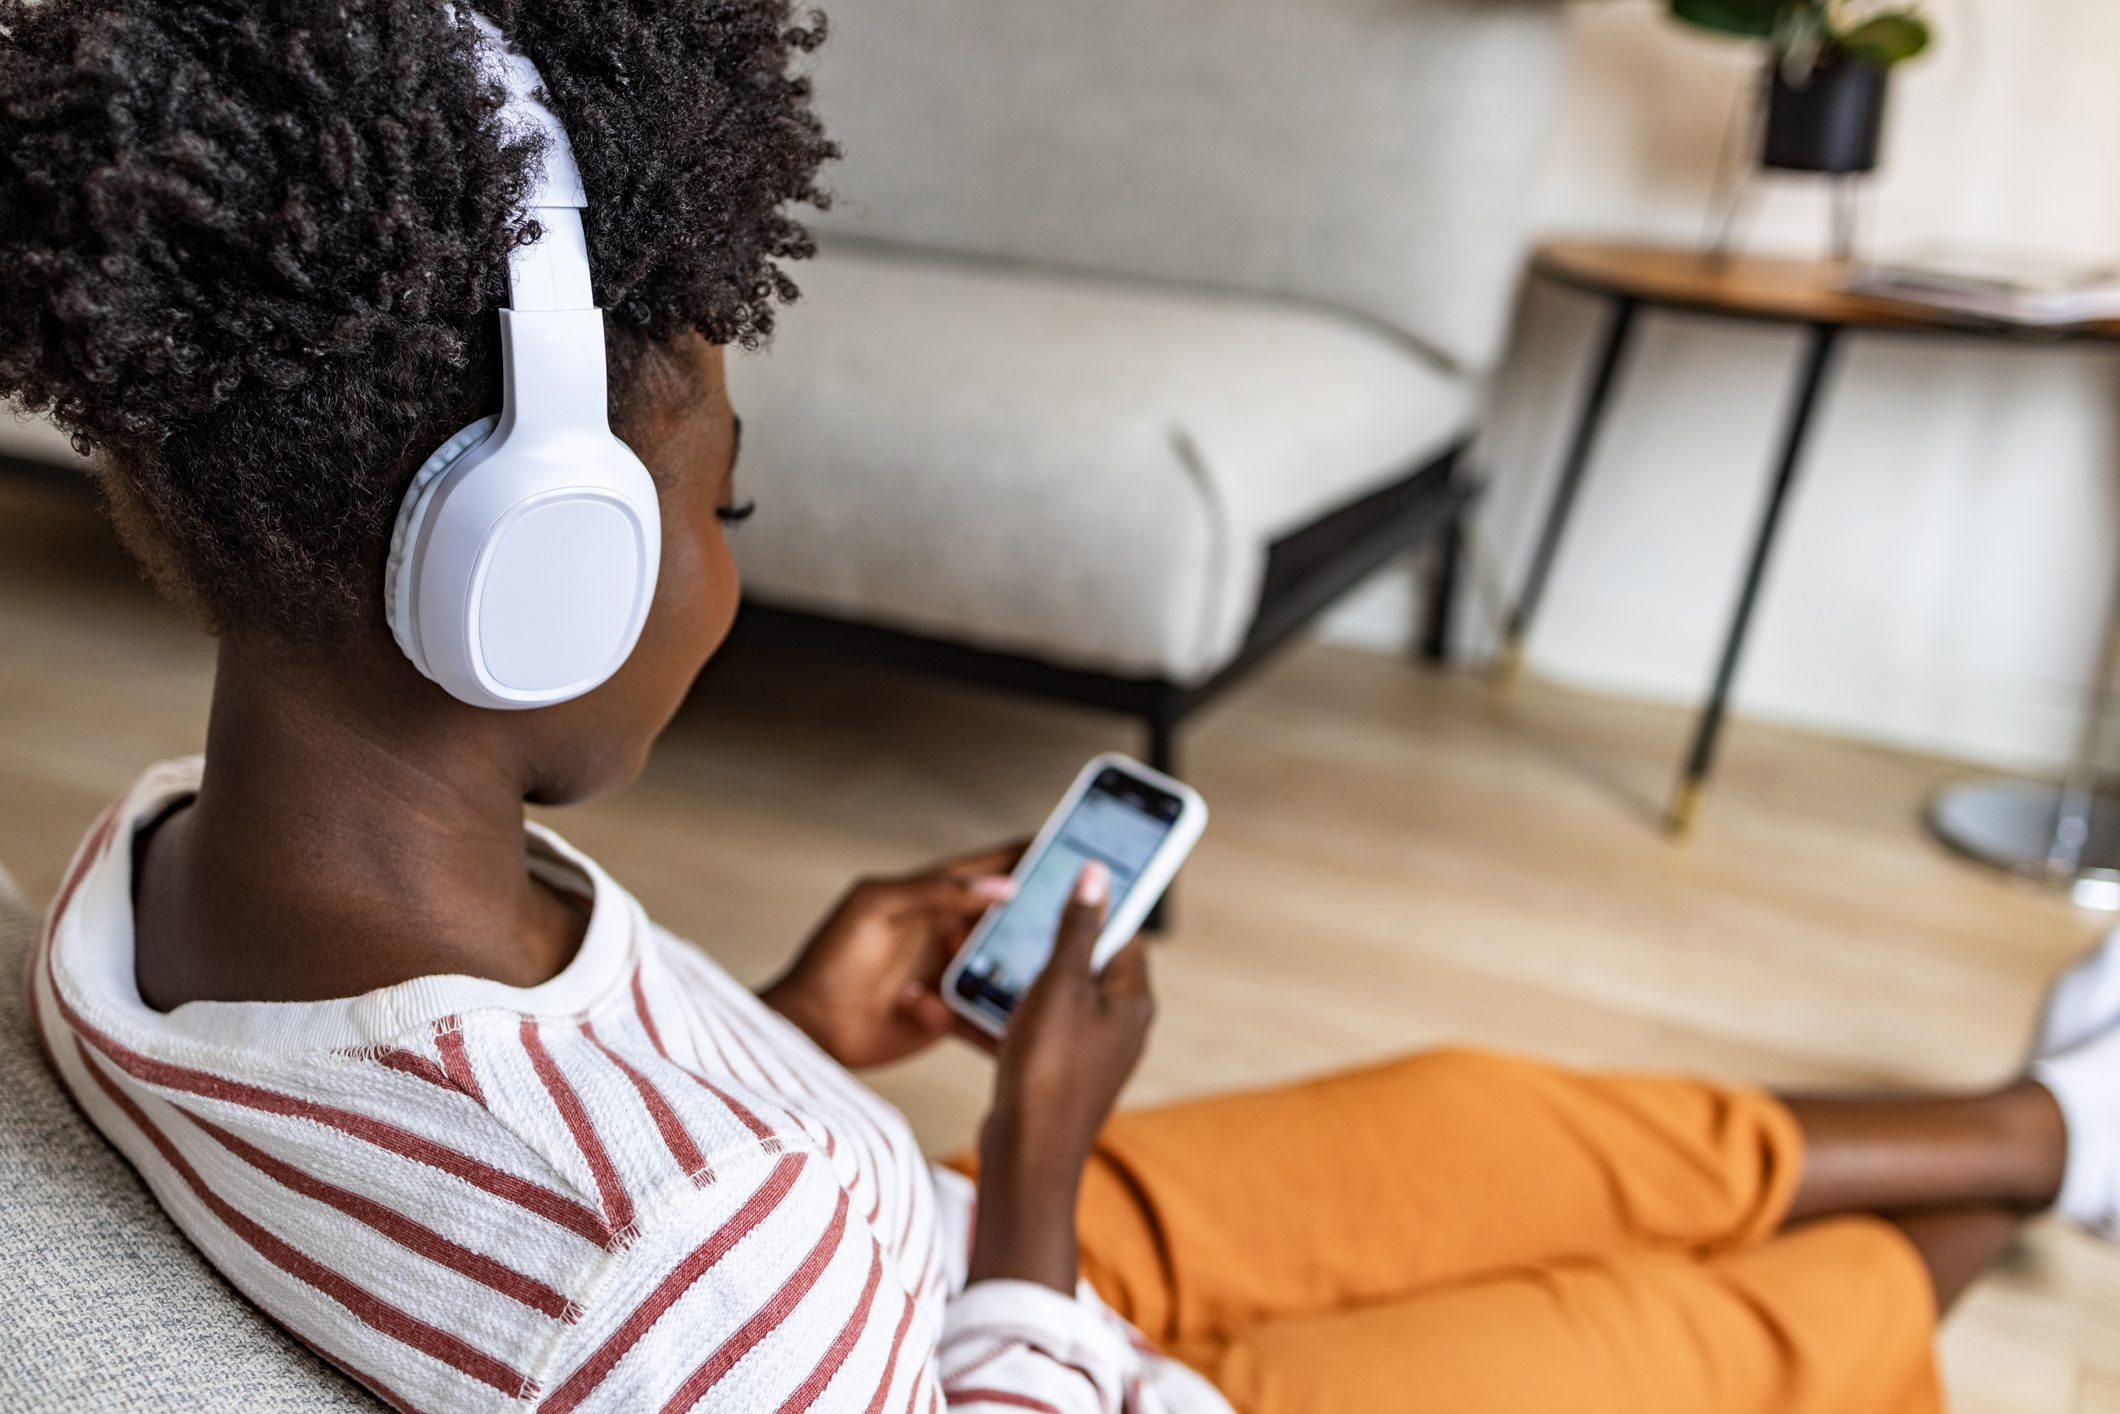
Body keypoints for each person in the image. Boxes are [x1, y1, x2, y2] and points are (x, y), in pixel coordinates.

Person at [4, 3, 2116, 1411]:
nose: (723, 563)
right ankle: (1966, 1224)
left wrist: (784, 1021)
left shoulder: (151, 867)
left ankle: (2045, 1132)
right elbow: (665, 1268)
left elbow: (487, 1163)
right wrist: (1028, 1174)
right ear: (534, 566)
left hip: (883, 1244)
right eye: (713, 499)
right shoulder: (678, 1253)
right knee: (1697, 1337)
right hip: (991, 1323)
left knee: (1489, 1114)